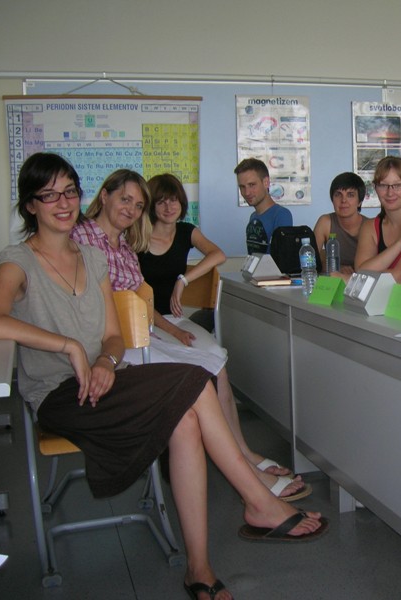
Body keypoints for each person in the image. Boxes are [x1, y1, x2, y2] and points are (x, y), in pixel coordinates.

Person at [0, 153, 327, 600]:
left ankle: (200, 569)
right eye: (49, 195)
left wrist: (104, 362)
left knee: (188, 406)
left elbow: (113, 336)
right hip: (59, 392)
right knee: (193, 385)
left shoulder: (93, 257)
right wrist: (69, 347)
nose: (63, 203)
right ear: (31, 204)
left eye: (69, 192)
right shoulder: (18, 260)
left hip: (109, 378)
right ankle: (257, 502)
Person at [71, 169, 308, 502]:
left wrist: (177, 305)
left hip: (145, 331)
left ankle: (245, 456)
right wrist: (167, 329)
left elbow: (140, 299)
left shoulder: (124, 244)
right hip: (118, 344)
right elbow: (115, 304)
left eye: (137, 204)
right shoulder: (90, 238)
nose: (133, 210)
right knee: (198, 376)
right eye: (127, 200)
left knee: (215, 363)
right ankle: (248, 475)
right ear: (105, 196)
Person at [139, 173, 220, 330]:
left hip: (174, 319)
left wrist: (183, 280)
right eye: (161, 202)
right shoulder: (138, 238)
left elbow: (218, 255)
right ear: (151, 206)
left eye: (173, 200)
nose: (169, 208)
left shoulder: (186, 231)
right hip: (144, 320)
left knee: (209, 346)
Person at [234, 158, 292, 255]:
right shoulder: (253, 217)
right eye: (242, 187)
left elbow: (283, 258)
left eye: (252, 185)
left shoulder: (281, 215)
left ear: (266, 182)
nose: (247, 192)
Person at [313, 172, 365, 276]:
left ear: (360, 201)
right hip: (334, 280)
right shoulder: (325, 222)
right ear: (332, 200)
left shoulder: (370, 226)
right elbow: (311, 260)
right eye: (338, 195)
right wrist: (336, 268)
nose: (343, 200)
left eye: (350, 195)